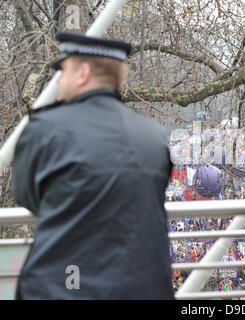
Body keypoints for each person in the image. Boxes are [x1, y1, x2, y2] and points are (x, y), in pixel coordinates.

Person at [12, 32, 174, 299]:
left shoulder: (45, 129)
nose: (60, 80)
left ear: (83, 73)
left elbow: (27, 196)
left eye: (63, 71)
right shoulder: (154, 134)